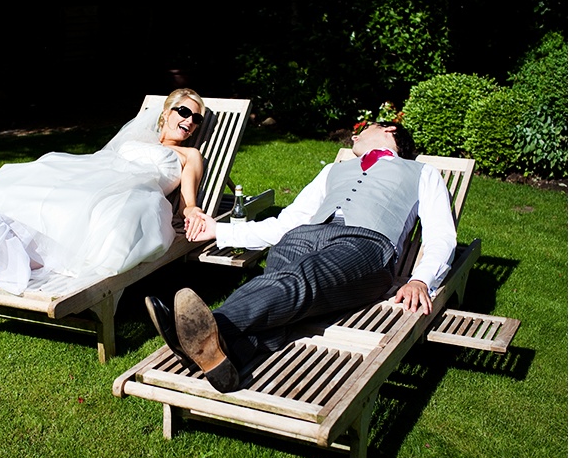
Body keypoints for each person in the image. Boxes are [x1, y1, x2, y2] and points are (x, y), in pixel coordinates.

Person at [144, 121, 457, 392]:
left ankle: (210, 327)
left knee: (299, 282)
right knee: (280, 292)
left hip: (366, 245)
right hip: (302, 236)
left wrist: (421, 279)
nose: (353, 137)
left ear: (388, 130)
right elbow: (288, 222)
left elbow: (441, 233)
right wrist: (221, 232)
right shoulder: (334, 170)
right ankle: (228, 358)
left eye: (363, 129)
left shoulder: (422, 173)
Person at [0, 88, 208, 295]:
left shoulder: (189, 154)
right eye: (184, 112)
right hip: (99, 171)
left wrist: (193, 209)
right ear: (166, 113)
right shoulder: (137, 137)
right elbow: (105, 156)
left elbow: (187, 203)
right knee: (40, 188)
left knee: (84, 209)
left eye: (196, 118)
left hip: (135, 188)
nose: (190, 121)